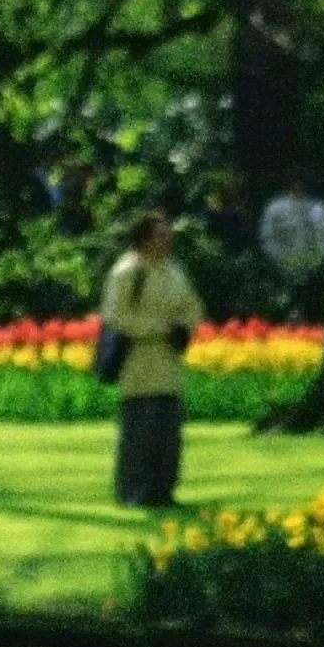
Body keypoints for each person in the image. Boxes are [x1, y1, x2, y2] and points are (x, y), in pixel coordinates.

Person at [102, 208, 205, 509]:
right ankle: (134, 491)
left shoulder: (173, 271)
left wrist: (182, 327)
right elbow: (115, 316)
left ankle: (164, 490)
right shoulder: (127, 272)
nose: (167, 239)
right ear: (143, 239)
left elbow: (192, 307)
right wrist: (156, 329)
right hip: (138, 365)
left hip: (169, 366)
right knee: (139, 433)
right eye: (160, 234)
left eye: (167, 233)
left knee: (168, 433)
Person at [258, 168, 324, 313]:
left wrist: (320, 262)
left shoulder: (317, 208)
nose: (298, 186)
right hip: (282, 269)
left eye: (301, 183)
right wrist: (279, 261)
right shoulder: (275, 208)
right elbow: (267, 237)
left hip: (314, 271)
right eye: (294, 182)